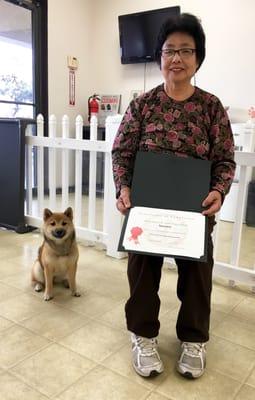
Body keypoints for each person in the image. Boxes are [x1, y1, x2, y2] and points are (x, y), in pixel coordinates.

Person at [111, 13, 236, 379]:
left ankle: (194, 339)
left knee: (197, 272)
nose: (176, 58)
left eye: (185, 50)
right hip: (146, 207)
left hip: (194, 209)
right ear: (159, 57)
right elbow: (122, 152)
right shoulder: (143, 104)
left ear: (198, 58)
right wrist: (124, 187)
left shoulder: (212, 107)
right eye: (169, 50)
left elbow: (224, 158)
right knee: (142, 270)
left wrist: (218, 190)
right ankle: (143, 335)